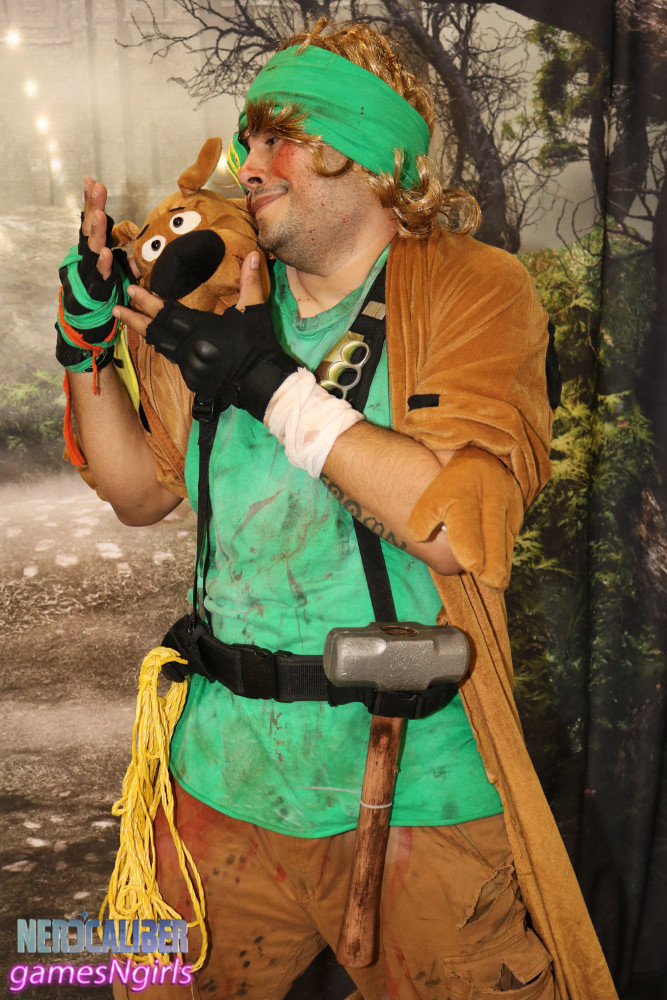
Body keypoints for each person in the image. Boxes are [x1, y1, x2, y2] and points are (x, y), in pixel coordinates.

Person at [58, 19, 618, 1000]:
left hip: (415, 794)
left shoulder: (471, 290)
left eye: (278, 137)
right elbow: (139, 490)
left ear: (365, 152)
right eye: (247, 138)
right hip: (217, 784)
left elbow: (457, 531)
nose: (248, 164)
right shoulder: (226, 304)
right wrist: (84, 343)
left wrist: (275, 389)